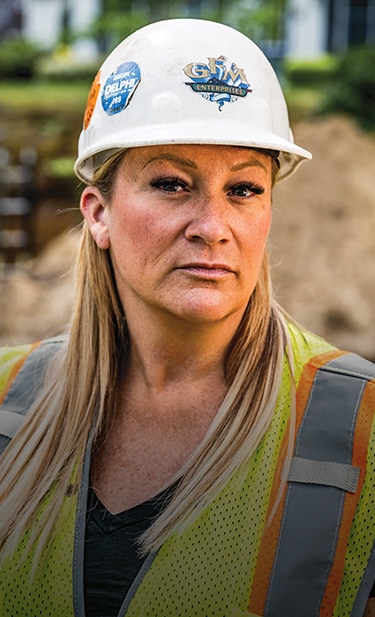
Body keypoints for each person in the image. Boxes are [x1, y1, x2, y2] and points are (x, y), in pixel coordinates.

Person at [0, 18, 374, 617]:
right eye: (173, 184)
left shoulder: (364, 428)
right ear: (98, 214)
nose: (213, 226)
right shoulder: (5, 397)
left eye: (245, 189)